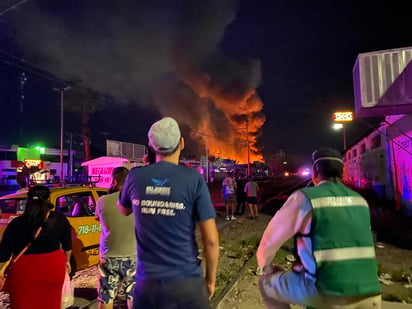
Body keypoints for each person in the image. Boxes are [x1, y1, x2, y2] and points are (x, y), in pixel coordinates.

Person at [256, 147, 382, 309]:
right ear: (341, 172)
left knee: (266, 284)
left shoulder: (305, 198)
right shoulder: (360, 201)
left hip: (327, 291)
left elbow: (269, 240)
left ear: (315, 172)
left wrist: (266, 268)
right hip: (371, 294)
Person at [117, 116, 219, 309]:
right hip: (187, 284)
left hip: (148, 287)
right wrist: (210, 280)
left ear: (150, 146)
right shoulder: (194, 180)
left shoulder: (135, 176)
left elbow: (122, 210)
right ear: (181, 143)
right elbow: (211, 241)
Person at [0, 185, 72, 309]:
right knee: (50, 303)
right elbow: (67, 246)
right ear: (48, 199)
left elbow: (4, 254)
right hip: (53, 268)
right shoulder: (60, 220)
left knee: (23, 303)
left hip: (23, 271)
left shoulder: (16, 223)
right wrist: (67, 261)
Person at [95, 166, 137, 309]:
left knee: (106, 297)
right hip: (133, 255)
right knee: (134, 295)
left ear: (113, 181)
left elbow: (99, 219)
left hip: (109, 256)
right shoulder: (136, 201)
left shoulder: (102, 201)